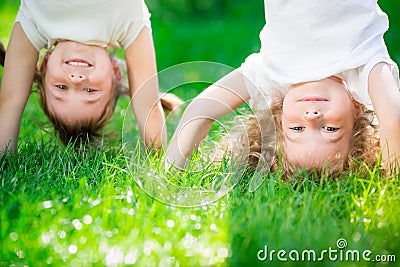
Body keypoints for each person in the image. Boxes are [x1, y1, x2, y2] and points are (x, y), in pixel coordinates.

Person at [166, 0, 400, 177]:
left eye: (297, 128)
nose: (312, 117)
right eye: (330, 129)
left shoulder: (270, 76)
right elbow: (393, 121)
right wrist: (391, 183)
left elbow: (201, 111)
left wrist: (167, 177)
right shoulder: (364, 68)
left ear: (278, 119)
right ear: (358, 112)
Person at [0, 0, 181, 155]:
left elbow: (10, 101)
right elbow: (148, 107)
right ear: (115, 72)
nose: (76, 79)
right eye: (89, 91)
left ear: (45, 65)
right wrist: (160, 164)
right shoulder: (127, 25)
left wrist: (4, 160)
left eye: (61, 88)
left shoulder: (36, 23)